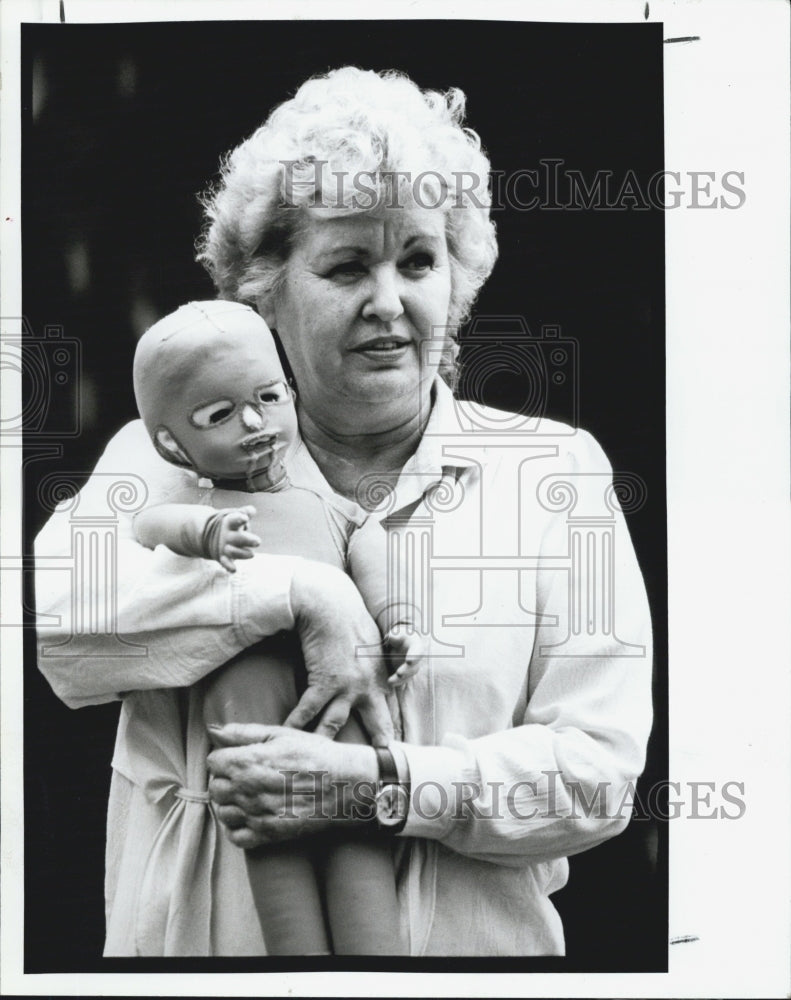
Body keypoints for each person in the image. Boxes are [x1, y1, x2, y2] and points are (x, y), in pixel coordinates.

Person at [35, 66, 653, 956]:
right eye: (346, 264)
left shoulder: (551, 471)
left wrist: (377, 786)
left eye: (418, 261)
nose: (389, 304)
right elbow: (58, 637)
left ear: (459, 276)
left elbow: (597, 776)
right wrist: (300, 594)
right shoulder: (166, 452)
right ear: (262, 287)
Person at [130, 298, 420, 954]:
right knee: (268, 830)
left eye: (267, 396)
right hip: (245, 692)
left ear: (289, 392)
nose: (256, 423)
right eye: (219, 414)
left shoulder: (323, 500)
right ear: (173, 443)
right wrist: (206, 530)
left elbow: (368, 548)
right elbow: (149, 527)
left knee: (356, 835)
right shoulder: (195, 498)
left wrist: (397, 621)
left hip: (340, 684)